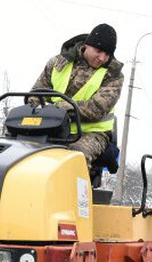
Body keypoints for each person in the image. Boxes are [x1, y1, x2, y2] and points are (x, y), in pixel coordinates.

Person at [31, 23, 124, 168]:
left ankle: (72, 190)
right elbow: (38, 91)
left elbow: (97, 109)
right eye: (99, 51)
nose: (102, 58)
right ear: (87, 45)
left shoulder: (113, 75)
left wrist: (62, 108)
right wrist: (32, 108)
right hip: (52, 125)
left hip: (91, 132)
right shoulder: (58, 63)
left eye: (107, 54)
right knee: (22, 147)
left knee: (74, 158)